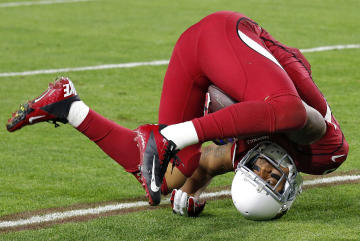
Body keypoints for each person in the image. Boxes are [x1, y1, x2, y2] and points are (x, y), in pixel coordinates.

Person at [7, 10, 348, 209]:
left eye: (255, 176)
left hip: (193, 58)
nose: (263, 170)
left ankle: (68, 106)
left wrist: (190, 195)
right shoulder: (325, 152)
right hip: (224, 39)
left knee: (163, 173)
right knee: (289, 111)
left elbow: (207, 165)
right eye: (272, 177)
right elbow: (298, 116)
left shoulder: (248, 155)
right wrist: (178, 135)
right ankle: (170, 135)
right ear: (289, 182)